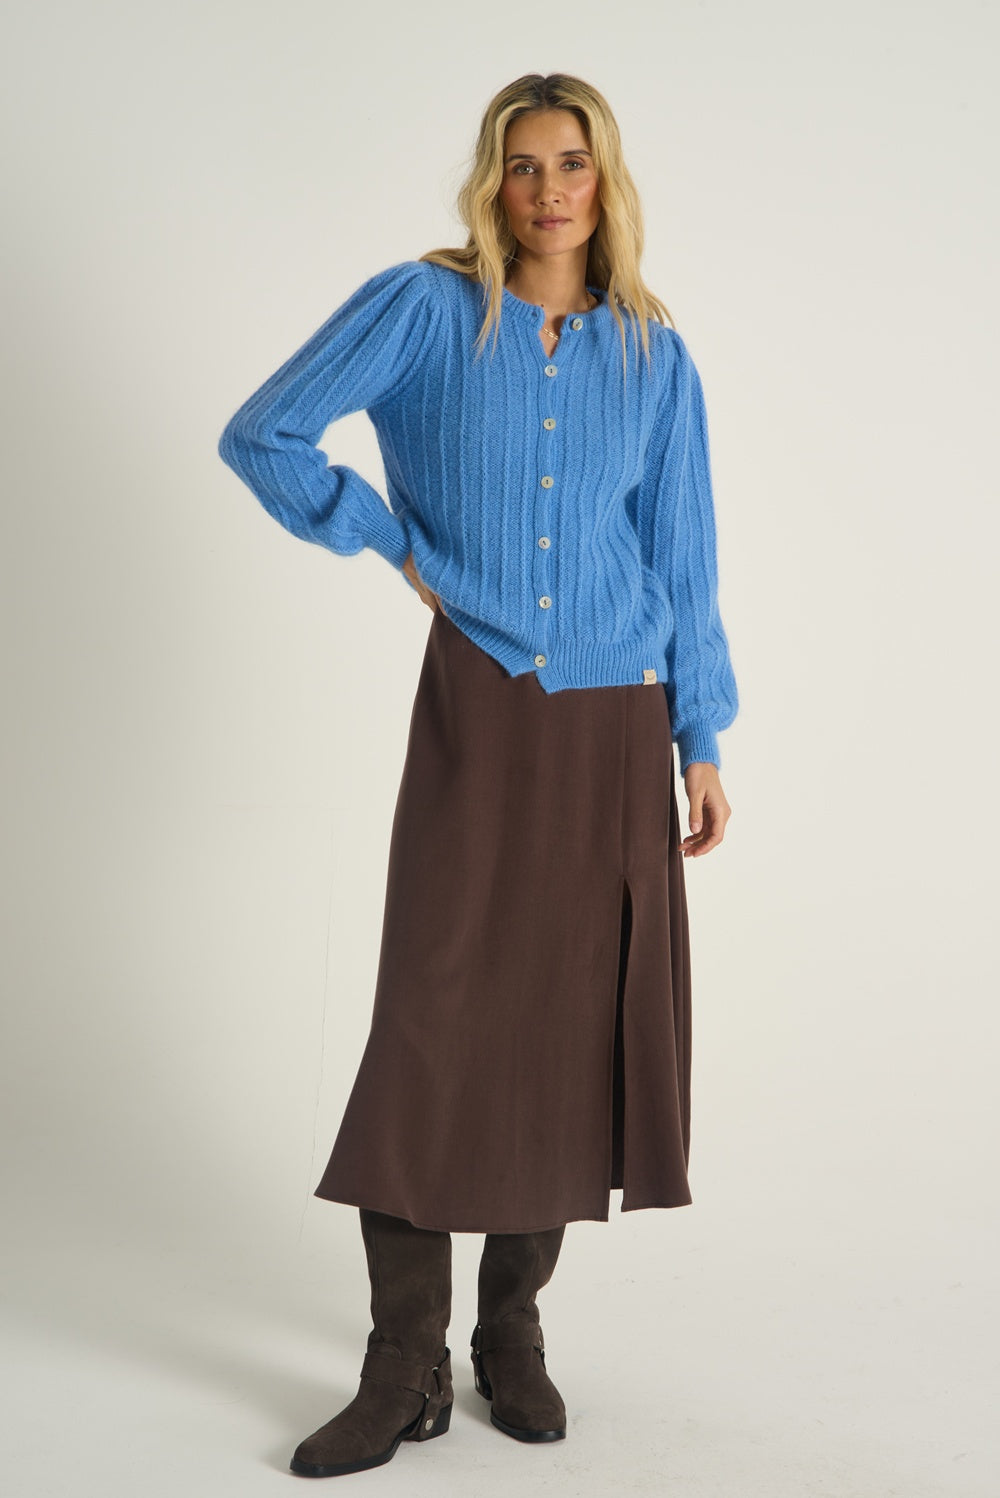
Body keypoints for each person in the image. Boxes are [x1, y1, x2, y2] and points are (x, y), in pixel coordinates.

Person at [218, 71, 739, 1480]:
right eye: (523, 164)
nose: (549, 189)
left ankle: (511, 1332)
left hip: (617, 719)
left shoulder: (653, 354)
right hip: (482, 700)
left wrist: (700, 737)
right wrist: (391, 541)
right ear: (491, 181)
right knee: (432, 1019)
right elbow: (263, 431)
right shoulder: (427, 309)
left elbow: (684, 555)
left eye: (572, 162)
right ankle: (404, 1362)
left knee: (568, 1027)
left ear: (605, 179)